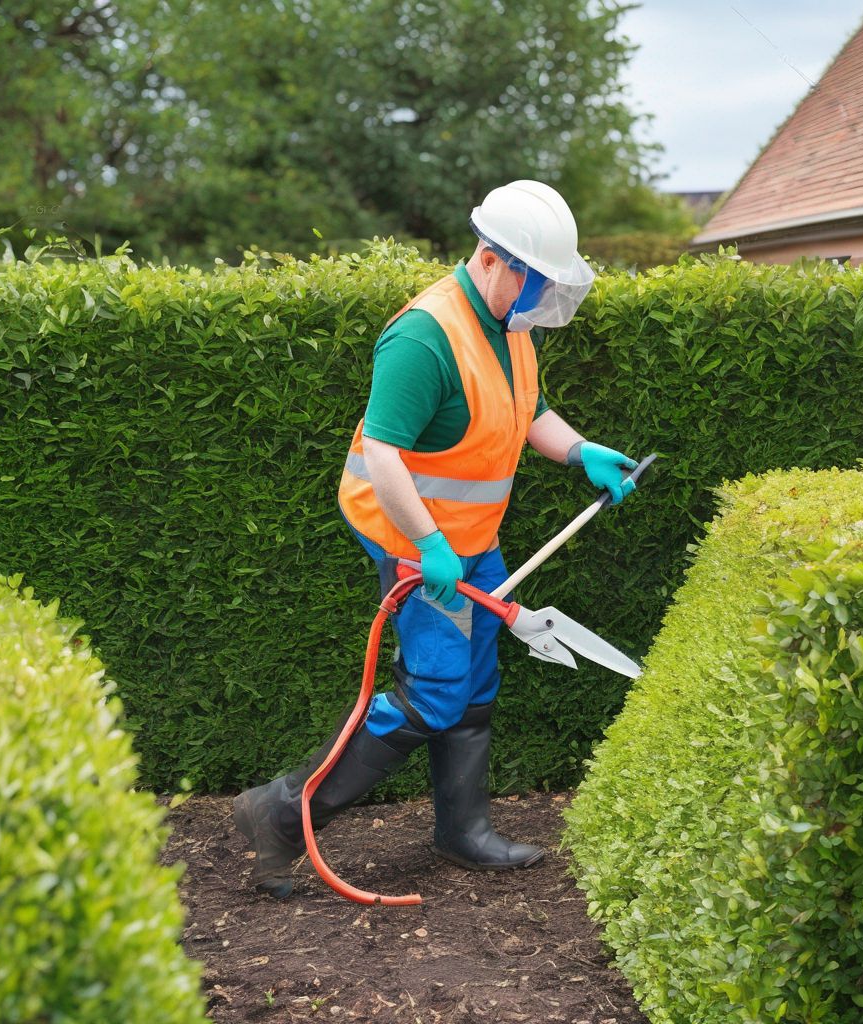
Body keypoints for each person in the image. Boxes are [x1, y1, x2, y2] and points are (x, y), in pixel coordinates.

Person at [234, 179, 638, 898]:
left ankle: (461, 831)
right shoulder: (424, 337)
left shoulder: (509, 328)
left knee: (474, 680)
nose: (542, 300)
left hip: (468, 537)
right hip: (412, 539)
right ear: (492, 259)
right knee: (436, 693)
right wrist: (428, 547)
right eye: (536, 282)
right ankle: (279, 813)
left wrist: (581, 451)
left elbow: (529, 409)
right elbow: (385, 457)